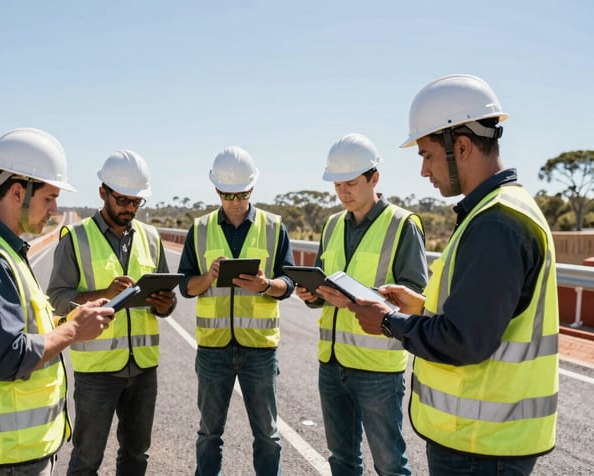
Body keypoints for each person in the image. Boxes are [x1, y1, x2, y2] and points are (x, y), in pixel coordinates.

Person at [348, 74, 559, 476]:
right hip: (484, 442)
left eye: (427, 155)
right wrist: (421, 308)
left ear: (461, 147)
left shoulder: (496, 223)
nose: (424, 171)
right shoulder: (498, 211)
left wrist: (390, 322)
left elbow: (465, 340)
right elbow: (484, 316)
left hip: (481, 446)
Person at [0, 128, 115, 475]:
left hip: (15, 450)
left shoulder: (2, 250)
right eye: (49, 198)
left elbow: (24, 330)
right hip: (6, 455)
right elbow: (7, 358)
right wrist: (73, 332)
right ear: (18, 192)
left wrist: (69, 322)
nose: (54, 210)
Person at [294, 133, 428, 475]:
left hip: (378, 369)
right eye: (337, 185)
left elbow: (414, 298)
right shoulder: (331, 225)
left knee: (390, 464)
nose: (343, 192)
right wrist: (313, 296)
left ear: (374, 178)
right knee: (341, 460)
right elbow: (325, 283)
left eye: (351, 183)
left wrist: (356, 300)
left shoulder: (402, 224)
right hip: (332, 363)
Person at [46, 149, 176, 476]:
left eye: (136, 202)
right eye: (122, 200)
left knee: (136, 455)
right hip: (97, 372)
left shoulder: (151, 237)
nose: (129, 208)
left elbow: (166, 297)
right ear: (103, 192)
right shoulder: (75, 238)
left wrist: (166, 305)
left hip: (143, 367)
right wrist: (104, 294)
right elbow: (57, 300)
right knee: (86, 460)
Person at [177, 146, 296, 476]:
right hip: (213, 348)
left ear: (252, 187)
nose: (234, 201)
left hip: (259, 349)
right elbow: (185, 286)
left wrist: (265, 285)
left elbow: (290, 283)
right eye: (227, 194)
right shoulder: (200, 229)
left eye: (241, 194)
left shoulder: (274, 227)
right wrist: (208, 277)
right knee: (209, 434)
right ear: (216, 189)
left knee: (268, 436)